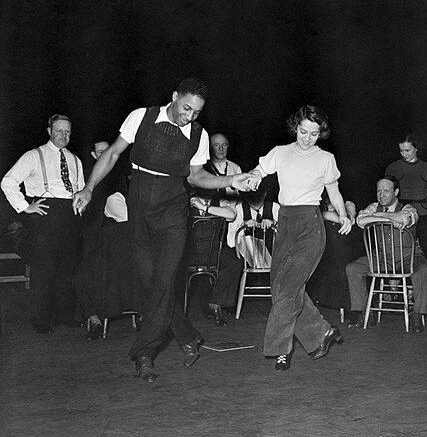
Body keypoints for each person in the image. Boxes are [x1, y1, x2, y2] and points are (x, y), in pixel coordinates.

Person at [72, 78, 253, 383]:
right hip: (139, 203)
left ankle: (143, 353)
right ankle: (188, 336)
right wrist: (89, 188)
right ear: (174, 97)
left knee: (164, 279)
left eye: (196, 112)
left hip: (173, 209)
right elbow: (113, 153)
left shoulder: (199, 135)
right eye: (186, 108)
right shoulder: (141, 117)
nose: (189, 116)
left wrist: (228, 181)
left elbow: (196, 177)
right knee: (150, 283)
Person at [249, 105, 352, 371]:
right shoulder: (281, 153)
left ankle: (280, 349)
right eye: (303, 131)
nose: (307, 138)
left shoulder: (325, 159)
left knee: (290, 286)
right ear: (296, 127)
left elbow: (334, 191)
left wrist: (343, 215)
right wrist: (253, 178)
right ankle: (322, 332)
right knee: (280, 287)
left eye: (314, 134)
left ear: (321, 133)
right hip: (285, 224)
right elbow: (260, 170)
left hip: (310, 226)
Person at [1, 114, 84, 333]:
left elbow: (81, 189)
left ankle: (64, 316)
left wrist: (80, 205)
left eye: (67, 131)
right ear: (49, 131)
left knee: (68, 269)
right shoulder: (33, 156)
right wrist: (24, 206)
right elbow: (8, 181)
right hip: (45, 214)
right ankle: (41, 322)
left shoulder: (76, 160)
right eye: (58, 130)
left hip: (70, 216)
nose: (63, 135)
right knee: (43, 271)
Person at [345, 176, 427, 332]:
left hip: (408, 257)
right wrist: (391, 218)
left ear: (396, 192)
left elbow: (405, 218)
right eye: (379, 191)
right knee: (353, 268)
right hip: (382, 257)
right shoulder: (373, 206)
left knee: (423, 270)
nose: (381, 195)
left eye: (386, 191)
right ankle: (365, 313)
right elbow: (360, 220)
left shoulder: (409, 208)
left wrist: (379, 217)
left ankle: (417, 315)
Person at [73, 174, 141, 341]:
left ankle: (144, 315)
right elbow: (130, 220)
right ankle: (94, 319)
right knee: (81, 276)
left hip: (130, 259)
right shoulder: (115, 198)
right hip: (107, 256)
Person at [188, 194, 242, 326]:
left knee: (234, 263)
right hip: (189, 252)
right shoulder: (188, 200)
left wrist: (205, 208)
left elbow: (231, 214)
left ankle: (215, 304)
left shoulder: (220, 201)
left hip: (213, 251)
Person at [385, 134, 427, 259]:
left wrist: (423, 207)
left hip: (423, 212)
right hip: (401, 212)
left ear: (416, 148)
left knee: (426, 248)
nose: (404, 154)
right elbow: (387, 192)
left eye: (407, 150)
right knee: (400, 246)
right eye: (401, 151)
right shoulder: (393, 167)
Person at [306, 191, 357, 312]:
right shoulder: (318, 204)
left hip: (345, 249)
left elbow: (348, 220)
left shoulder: (348, 204)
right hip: (323, 249)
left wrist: (329, 214)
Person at [196, 132, 242, 204]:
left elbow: (239, 196)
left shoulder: (236, 168)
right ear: (210, 147)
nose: (221, 149)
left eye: (224, 145)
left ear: (228, 146)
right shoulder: (203, 169)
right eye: (216, 145)